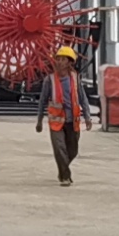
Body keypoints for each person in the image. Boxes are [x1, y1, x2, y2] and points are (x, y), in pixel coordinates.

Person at [45, 42, 84, 185]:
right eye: (58, 59)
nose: (59, 62)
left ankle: (62, 171)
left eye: (62, 59)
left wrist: (87, 116)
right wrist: (39, 120)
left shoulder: (75, 78)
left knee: (72, 151)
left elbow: (82, 97)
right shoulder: (50, 80)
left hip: (72, 121)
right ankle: (65, 176)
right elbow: (42, 100)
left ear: (69, 62)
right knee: (60, 149)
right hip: (56, 122)